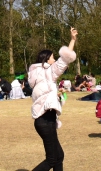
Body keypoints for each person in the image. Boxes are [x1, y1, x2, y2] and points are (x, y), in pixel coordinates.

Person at [29, 27, 77, 171]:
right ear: (46, 60)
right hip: (45, 121)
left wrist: (56, 94)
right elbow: (65, 59)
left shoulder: (39, 76)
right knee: (51, 159)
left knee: (59, 156)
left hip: (45, 120)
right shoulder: (48, 71)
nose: (54, 59)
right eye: (52, 57)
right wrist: (73, 40)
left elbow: (43, 95)